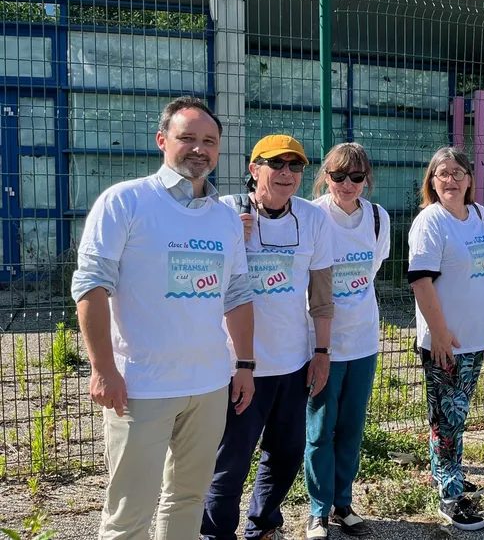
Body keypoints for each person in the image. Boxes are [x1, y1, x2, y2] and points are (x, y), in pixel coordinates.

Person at [71, 96, 256, 540]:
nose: (200, 148)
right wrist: (102, 369)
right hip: (141, 387)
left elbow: (237, 294)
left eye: (209, 141)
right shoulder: (126, 202)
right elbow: (91, 286)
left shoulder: (226, 219)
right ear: (162, 141)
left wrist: (245, 365)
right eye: (187, 137)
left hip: (208, 385)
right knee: (129, 512)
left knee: (189, 500)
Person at [202, 135, 335, 540]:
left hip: (292, 362)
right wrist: (229, 242)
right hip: (236, 365)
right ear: (253, 169)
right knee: (230, 461)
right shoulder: (222, 212)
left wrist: (322, 351)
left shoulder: (314, 219)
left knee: (287, 452)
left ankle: (263, 524)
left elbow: (322, 297)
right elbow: (199, 282)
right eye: (276, 164)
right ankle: (215, 534)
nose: (287, 174)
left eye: (296, 166)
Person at [408, 147, 484, 532]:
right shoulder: (430, 222)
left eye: (457, 172)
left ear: (469, 179)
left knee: (455, 415)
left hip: (476, 337)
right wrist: (440, 332)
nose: (450, 179)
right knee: (448, 418)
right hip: (447, 340)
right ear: (432, 181)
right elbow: (420, 280)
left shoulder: (478, 215)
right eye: (442, 173)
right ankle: (449, 494)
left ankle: (447, 473)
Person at [302, 143, 390, 539]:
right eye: (338, 176)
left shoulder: (377, 218)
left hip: (364, 339)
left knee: (352, 427)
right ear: (325, 177)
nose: (347, 184)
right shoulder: (311, 215)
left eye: (356, 177)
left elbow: (372, 268)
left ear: (366, 180)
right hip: (322, 341)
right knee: (321, 427)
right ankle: (317, 511)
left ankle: (343, 503)